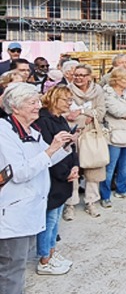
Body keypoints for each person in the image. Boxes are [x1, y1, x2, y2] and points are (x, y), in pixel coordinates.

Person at [0, 83, 73, 291]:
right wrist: (51, 150)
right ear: (16, 107)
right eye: (32, 102)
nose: (38, 106)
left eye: (38, 101)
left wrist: (65, 146)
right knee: (11, 269)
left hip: (28, 211)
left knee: (16, 265)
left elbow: (46, 159)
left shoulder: (31, 129)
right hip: (12, 212)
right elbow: (20, 172)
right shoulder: (4, 133)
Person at [35, 85, 80, 274]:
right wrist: (65, 172)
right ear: (54, 99)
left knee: (55, 219)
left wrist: (76, 165)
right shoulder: (44, 121)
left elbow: (69, 145)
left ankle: (52, 252)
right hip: (54, 178)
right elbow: (49, 152)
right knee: (50, 219)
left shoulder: (59, 118)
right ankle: (45, 260)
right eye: (66, 100)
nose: (70, 104)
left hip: (65, 175)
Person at [64, 64, 106, 220]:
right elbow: (64, 113)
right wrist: (85, 116)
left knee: (93, 168)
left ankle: (91, 201)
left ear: (89, 76)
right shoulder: (66, 90)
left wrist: (81, 113)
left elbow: (101, 112)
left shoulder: (98, 91)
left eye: (82, 75)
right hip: (72, 135)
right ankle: (70, 204)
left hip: (91, 134)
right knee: (72, 170)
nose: (79, 78)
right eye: (76, 75)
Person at [99, 68, 126, 208]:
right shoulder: (106, 93)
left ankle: (122, 190)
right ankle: (105, 196)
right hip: (114, 135)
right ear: (116, 80)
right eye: (125, 79)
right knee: (110, 167)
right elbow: (117, 111)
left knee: (125, 166)